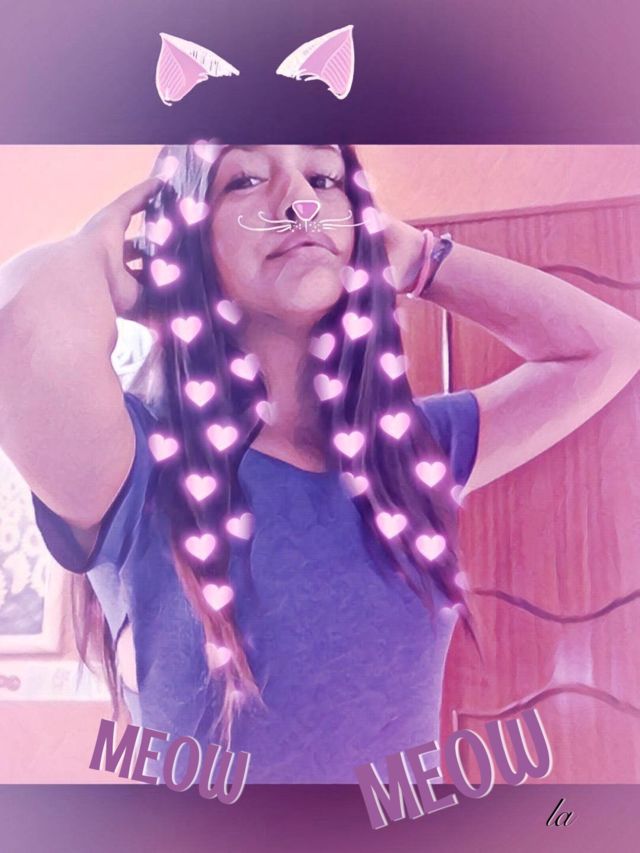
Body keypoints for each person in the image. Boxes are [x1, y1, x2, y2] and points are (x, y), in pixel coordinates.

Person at [0, 144, 638, 785]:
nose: (300, 203)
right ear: (186, 237)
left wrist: (421, 259)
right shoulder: (136, 464)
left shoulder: (410, 452)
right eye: (245, 179)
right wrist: (99, 253)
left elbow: (608, 348)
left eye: (324, 177)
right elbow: (23, 329)